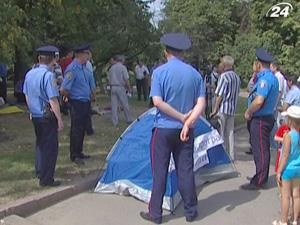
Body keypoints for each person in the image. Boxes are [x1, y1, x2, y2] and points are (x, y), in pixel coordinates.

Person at [139, 33, 206, 223]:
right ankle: (191, 212)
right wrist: (187, 121)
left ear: (166, 51)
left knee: (159, 172)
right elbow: (201, 103)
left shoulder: (159, 72)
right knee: (185, 170)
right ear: (183, 53)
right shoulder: (194, 74)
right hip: (186, 130)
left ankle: (155, 214)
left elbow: (157, 102)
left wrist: (179, 116)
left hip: (163, 129)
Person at [23, 45, 64, 187]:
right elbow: (53, 99)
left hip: (35, 114)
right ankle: (47, 179)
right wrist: (59, 118)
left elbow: (27, 95)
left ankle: (40, 171)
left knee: (40, 144)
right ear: (52, 60)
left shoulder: (29, 74)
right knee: (50, 147)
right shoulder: (48, 76)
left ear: (40, 59)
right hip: (47, 115)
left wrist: (31, 110)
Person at [241, 48, 279, 190]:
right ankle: (260, 175)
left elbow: (259, 101)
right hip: (266, 116)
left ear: (258, 63)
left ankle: (260, 180)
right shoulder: (272, 77)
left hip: (260, 118)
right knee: (261, 149)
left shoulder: (265, 79)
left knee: (260, 150)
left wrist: (248, 112)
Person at [60, 44, 96, 165]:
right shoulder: (72, 69)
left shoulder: (85, 68)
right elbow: (64, 89)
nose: (89, 56)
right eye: (87, 53)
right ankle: (74, 155)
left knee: (82, 128)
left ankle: (79, 151)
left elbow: (89, 84)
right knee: (76, 129)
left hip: (85, 102)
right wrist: (72, 98)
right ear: (80, 54)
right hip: (77, 102)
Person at [210, 56, 241, 162]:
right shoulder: (236, 77)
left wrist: (214, 109)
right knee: (230, 132)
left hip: (223, 108)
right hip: (232, 108)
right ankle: (231, 155)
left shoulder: (224, 76)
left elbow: (220, 94)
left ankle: (222, 156)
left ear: (225, 65)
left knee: (221, 132)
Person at [273, 106, 300, 225]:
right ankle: (295, 220)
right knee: (296, 196)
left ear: (290, 120)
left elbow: (284, 155)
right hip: (298, 169)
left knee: (285, 196)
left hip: (288, 170)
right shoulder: (299, 135)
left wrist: (279, 171)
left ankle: (283, 221)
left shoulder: (288, 136)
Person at [107, 55, 133, 126]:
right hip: (120, 86)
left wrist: (109, 88)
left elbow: (109, 79)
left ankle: (114, 121)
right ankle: (129, 118)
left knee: (114, 105)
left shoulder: (111, 68)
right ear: (121, 60)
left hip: (113, 87)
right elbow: (126, 79)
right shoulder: (123, 67)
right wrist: (129, 88)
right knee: (124, 103)